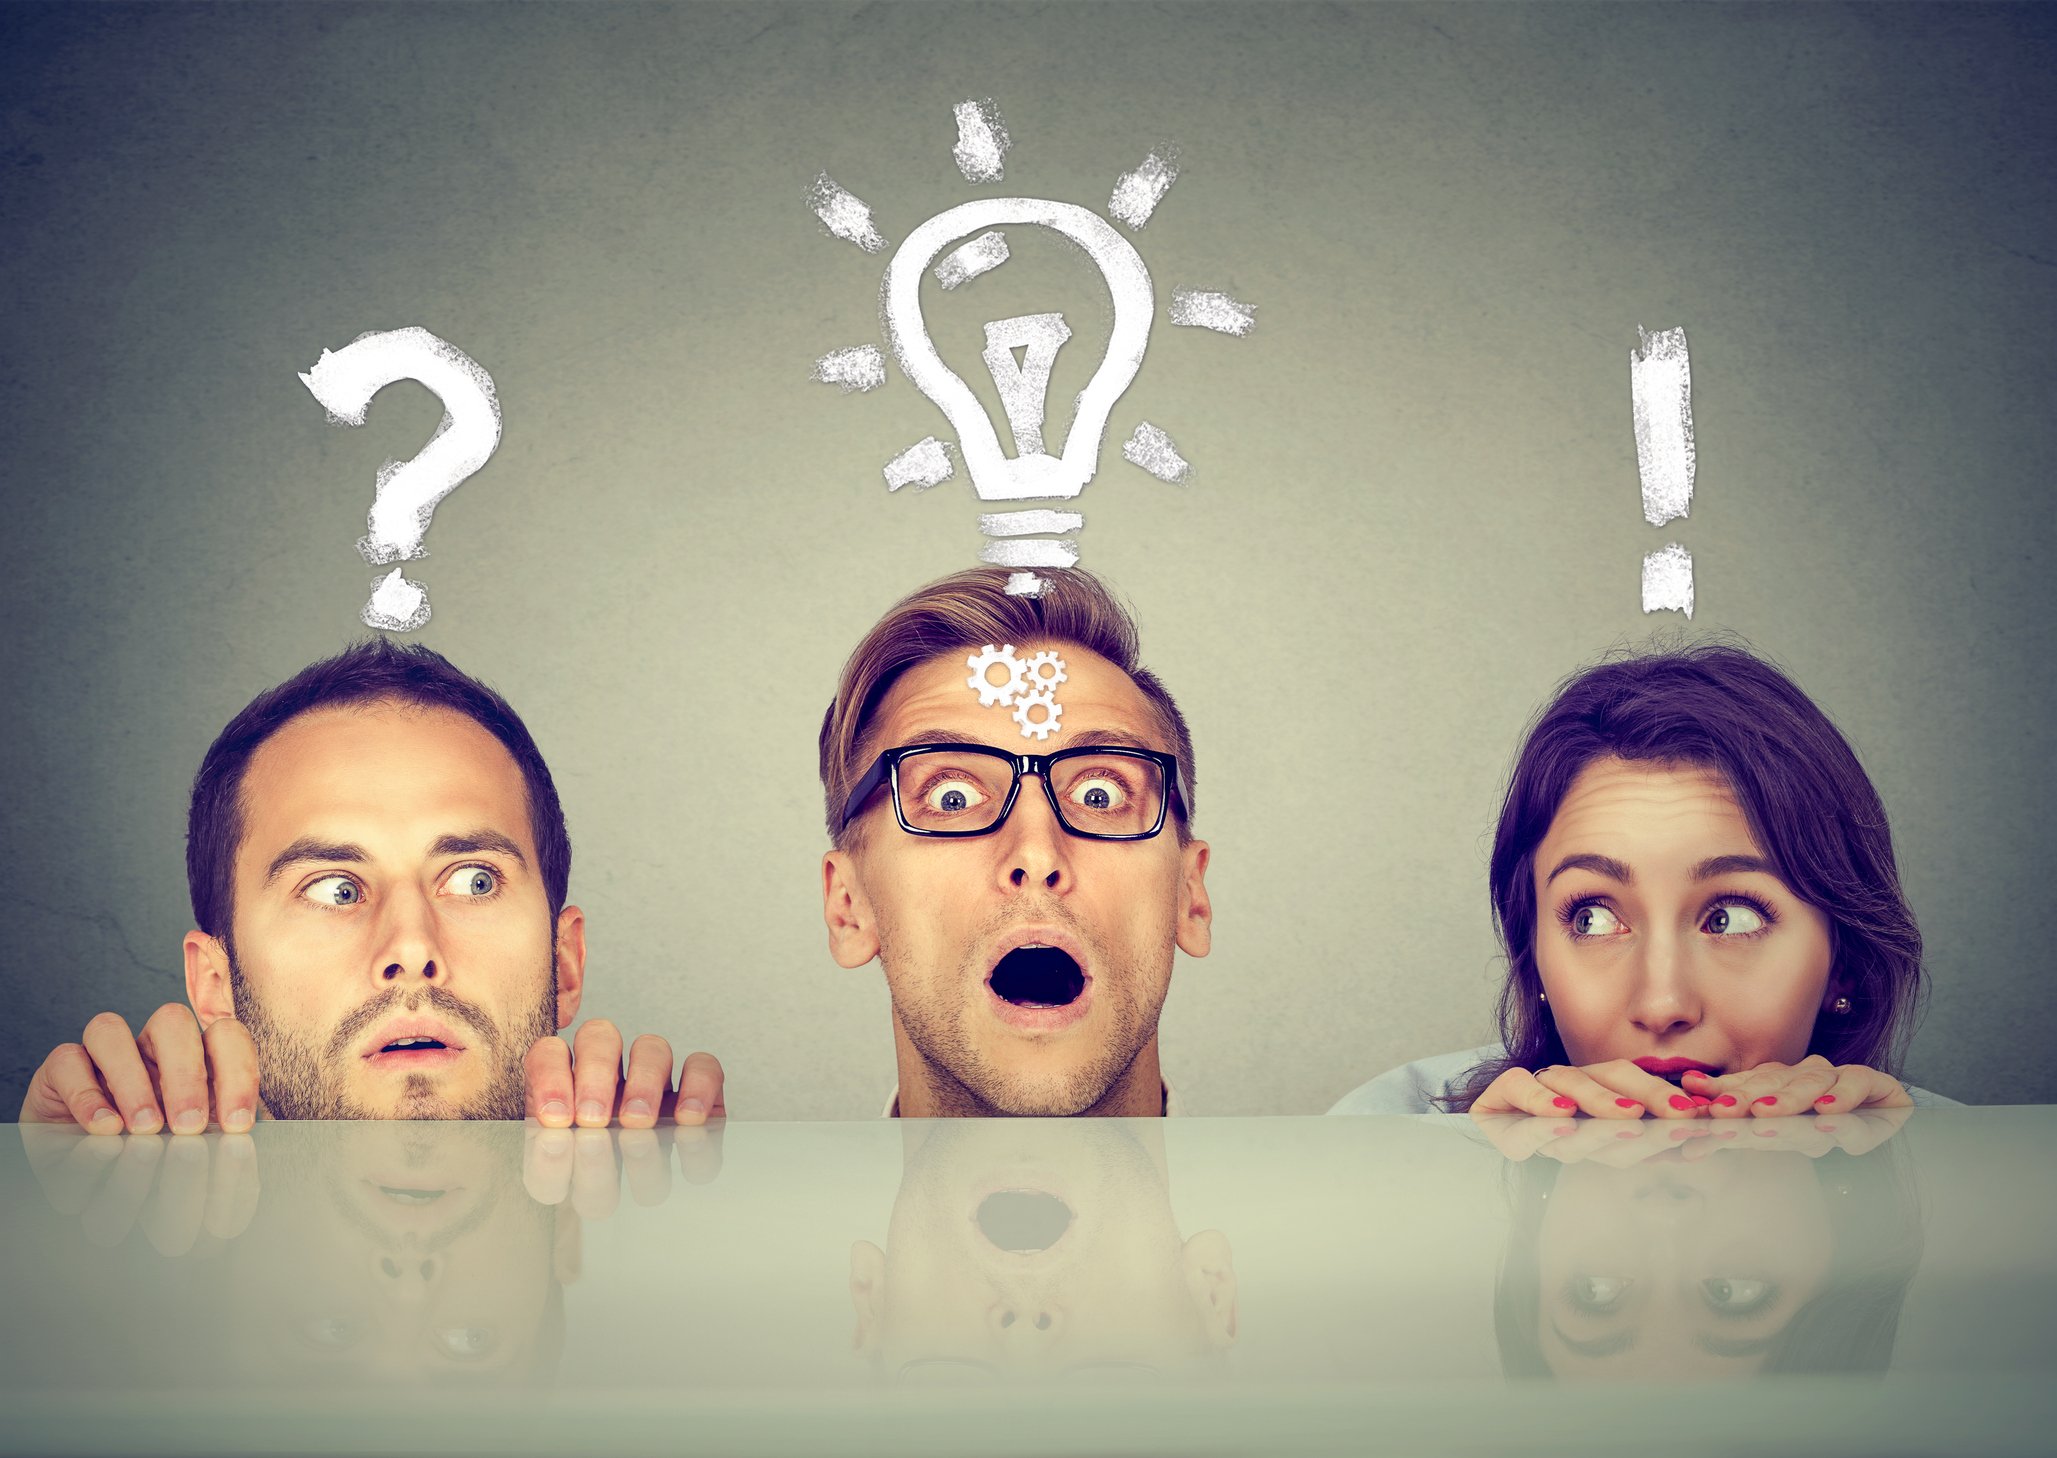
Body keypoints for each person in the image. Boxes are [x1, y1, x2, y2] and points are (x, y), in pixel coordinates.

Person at [18, 640, 722, 1132]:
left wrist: (662, 1223)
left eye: (474, 881)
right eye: (335, 890)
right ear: (215, 983)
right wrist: (49, 1220)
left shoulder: (657, 1229)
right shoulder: (89, 1243)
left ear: (563, 963)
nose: (412, 948)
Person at [1329, 644, 1954, 1117]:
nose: (1661, 1006)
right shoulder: (1390, 1136)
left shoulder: (1977, 1171)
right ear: (1535, 957)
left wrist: (1896, 1196)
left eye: (1730, 917)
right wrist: (1483, 1205)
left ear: (1840, 962)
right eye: (1592, 917)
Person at [819, 567, 1212, 1117]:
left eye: (1100, 795)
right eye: (951, 797)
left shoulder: (1358, 1192)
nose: (1035, 853)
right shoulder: (699, 1190)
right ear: (848, 909)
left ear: (1189, 895)